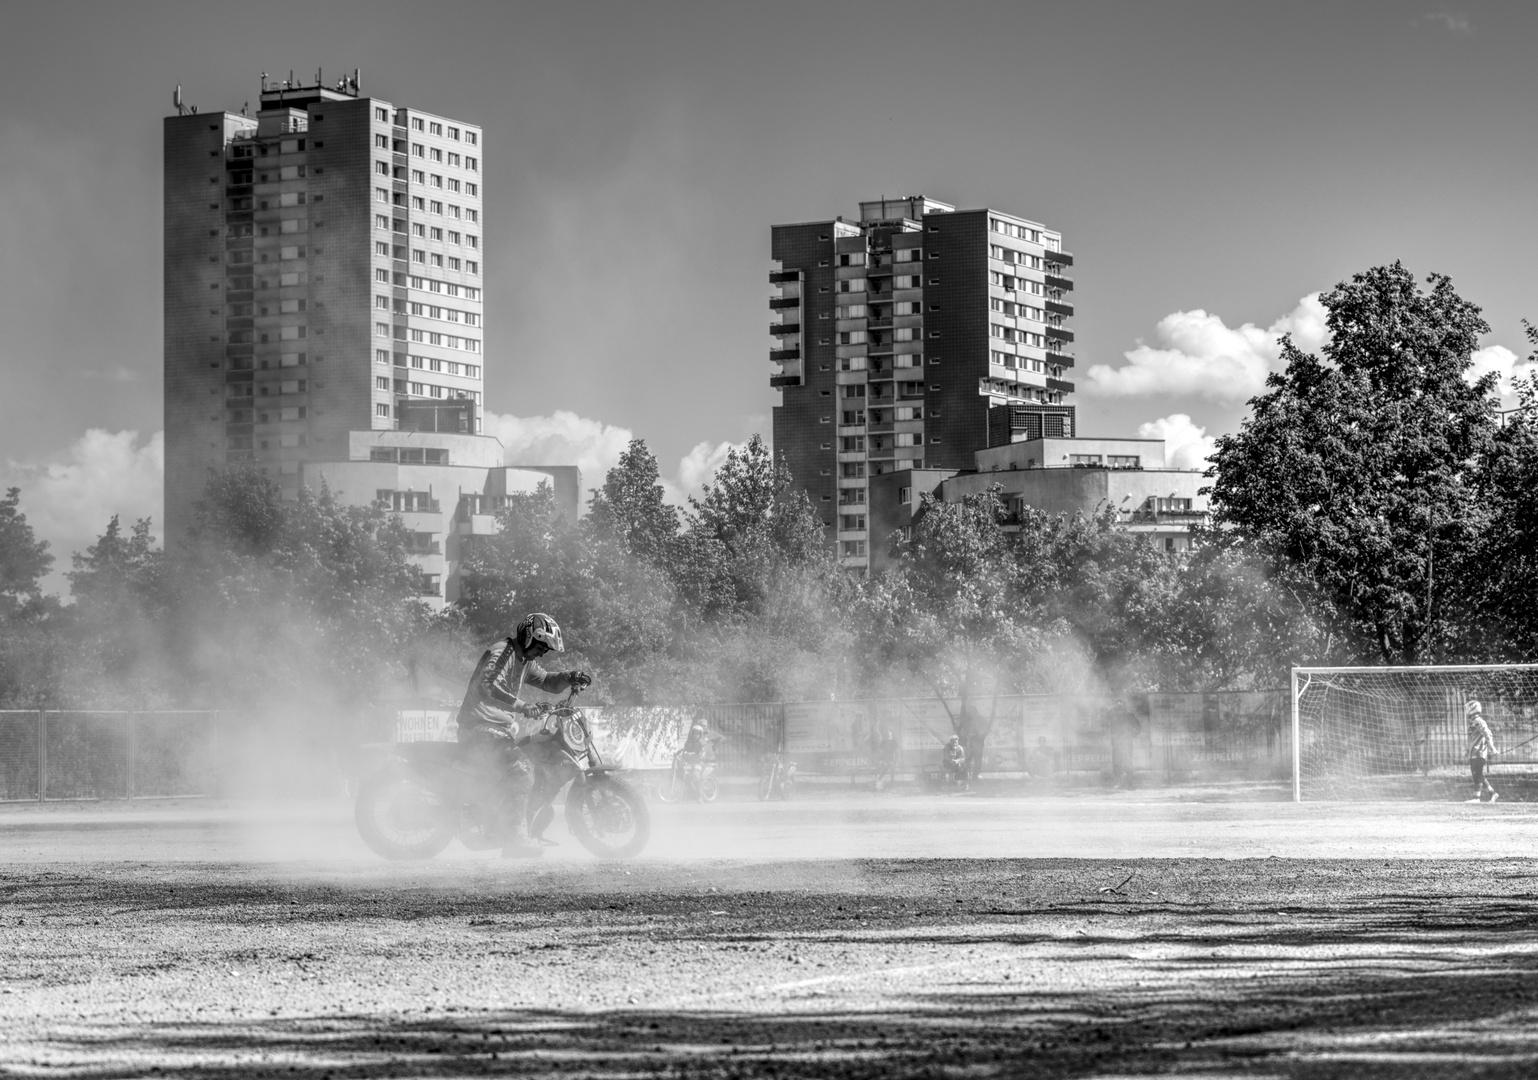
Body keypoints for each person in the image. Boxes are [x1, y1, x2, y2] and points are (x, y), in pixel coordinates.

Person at [456, 612, 591, 856]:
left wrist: (569, 677)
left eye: (546, 650)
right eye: (540, 646)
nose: (542, 653)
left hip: (496, 731)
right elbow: (487, 685)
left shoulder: (524, 661)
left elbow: (547, 681)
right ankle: (514, 838)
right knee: (522, 769)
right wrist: (522, 706)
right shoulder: (503, 652)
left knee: (533, 759)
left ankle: (511, 824)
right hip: (478, 728)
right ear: (528, 636)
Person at [1465, 699, 1500, 804]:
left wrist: (1492, 748)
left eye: (1467, 709)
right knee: (1478, 774)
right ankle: (1493, 793)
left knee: (1477, 774)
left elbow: (1487, 734)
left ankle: (1476, 798)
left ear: (1472, 709)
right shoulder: (1473, 722)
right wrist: (1467, 750)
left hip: (1479, 753)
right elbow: (1472, 739)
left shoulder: (1479, 721)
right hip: (1473, 753)